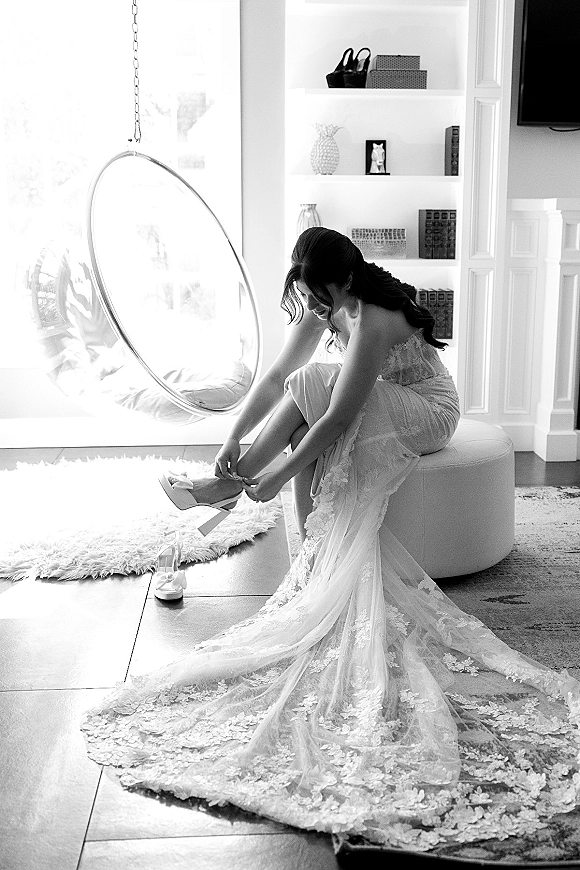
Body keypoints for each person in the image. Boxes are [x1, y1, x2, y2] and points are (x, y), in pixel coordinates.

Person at [83, 228, 580, 855]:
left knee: (321, 386)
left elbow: (341, 414)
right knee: (307, 378)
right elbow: (277, 379)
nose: (316, 306)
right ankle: (220, 482)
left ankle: (222, 492)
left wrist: (277, 474)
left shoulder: (375, 316)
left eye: (323, 295)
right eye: (307, 295)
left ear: (346, 282)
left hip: (426, 411)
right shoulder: (323, 304)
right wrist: (231, 438)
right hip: (369, 402)